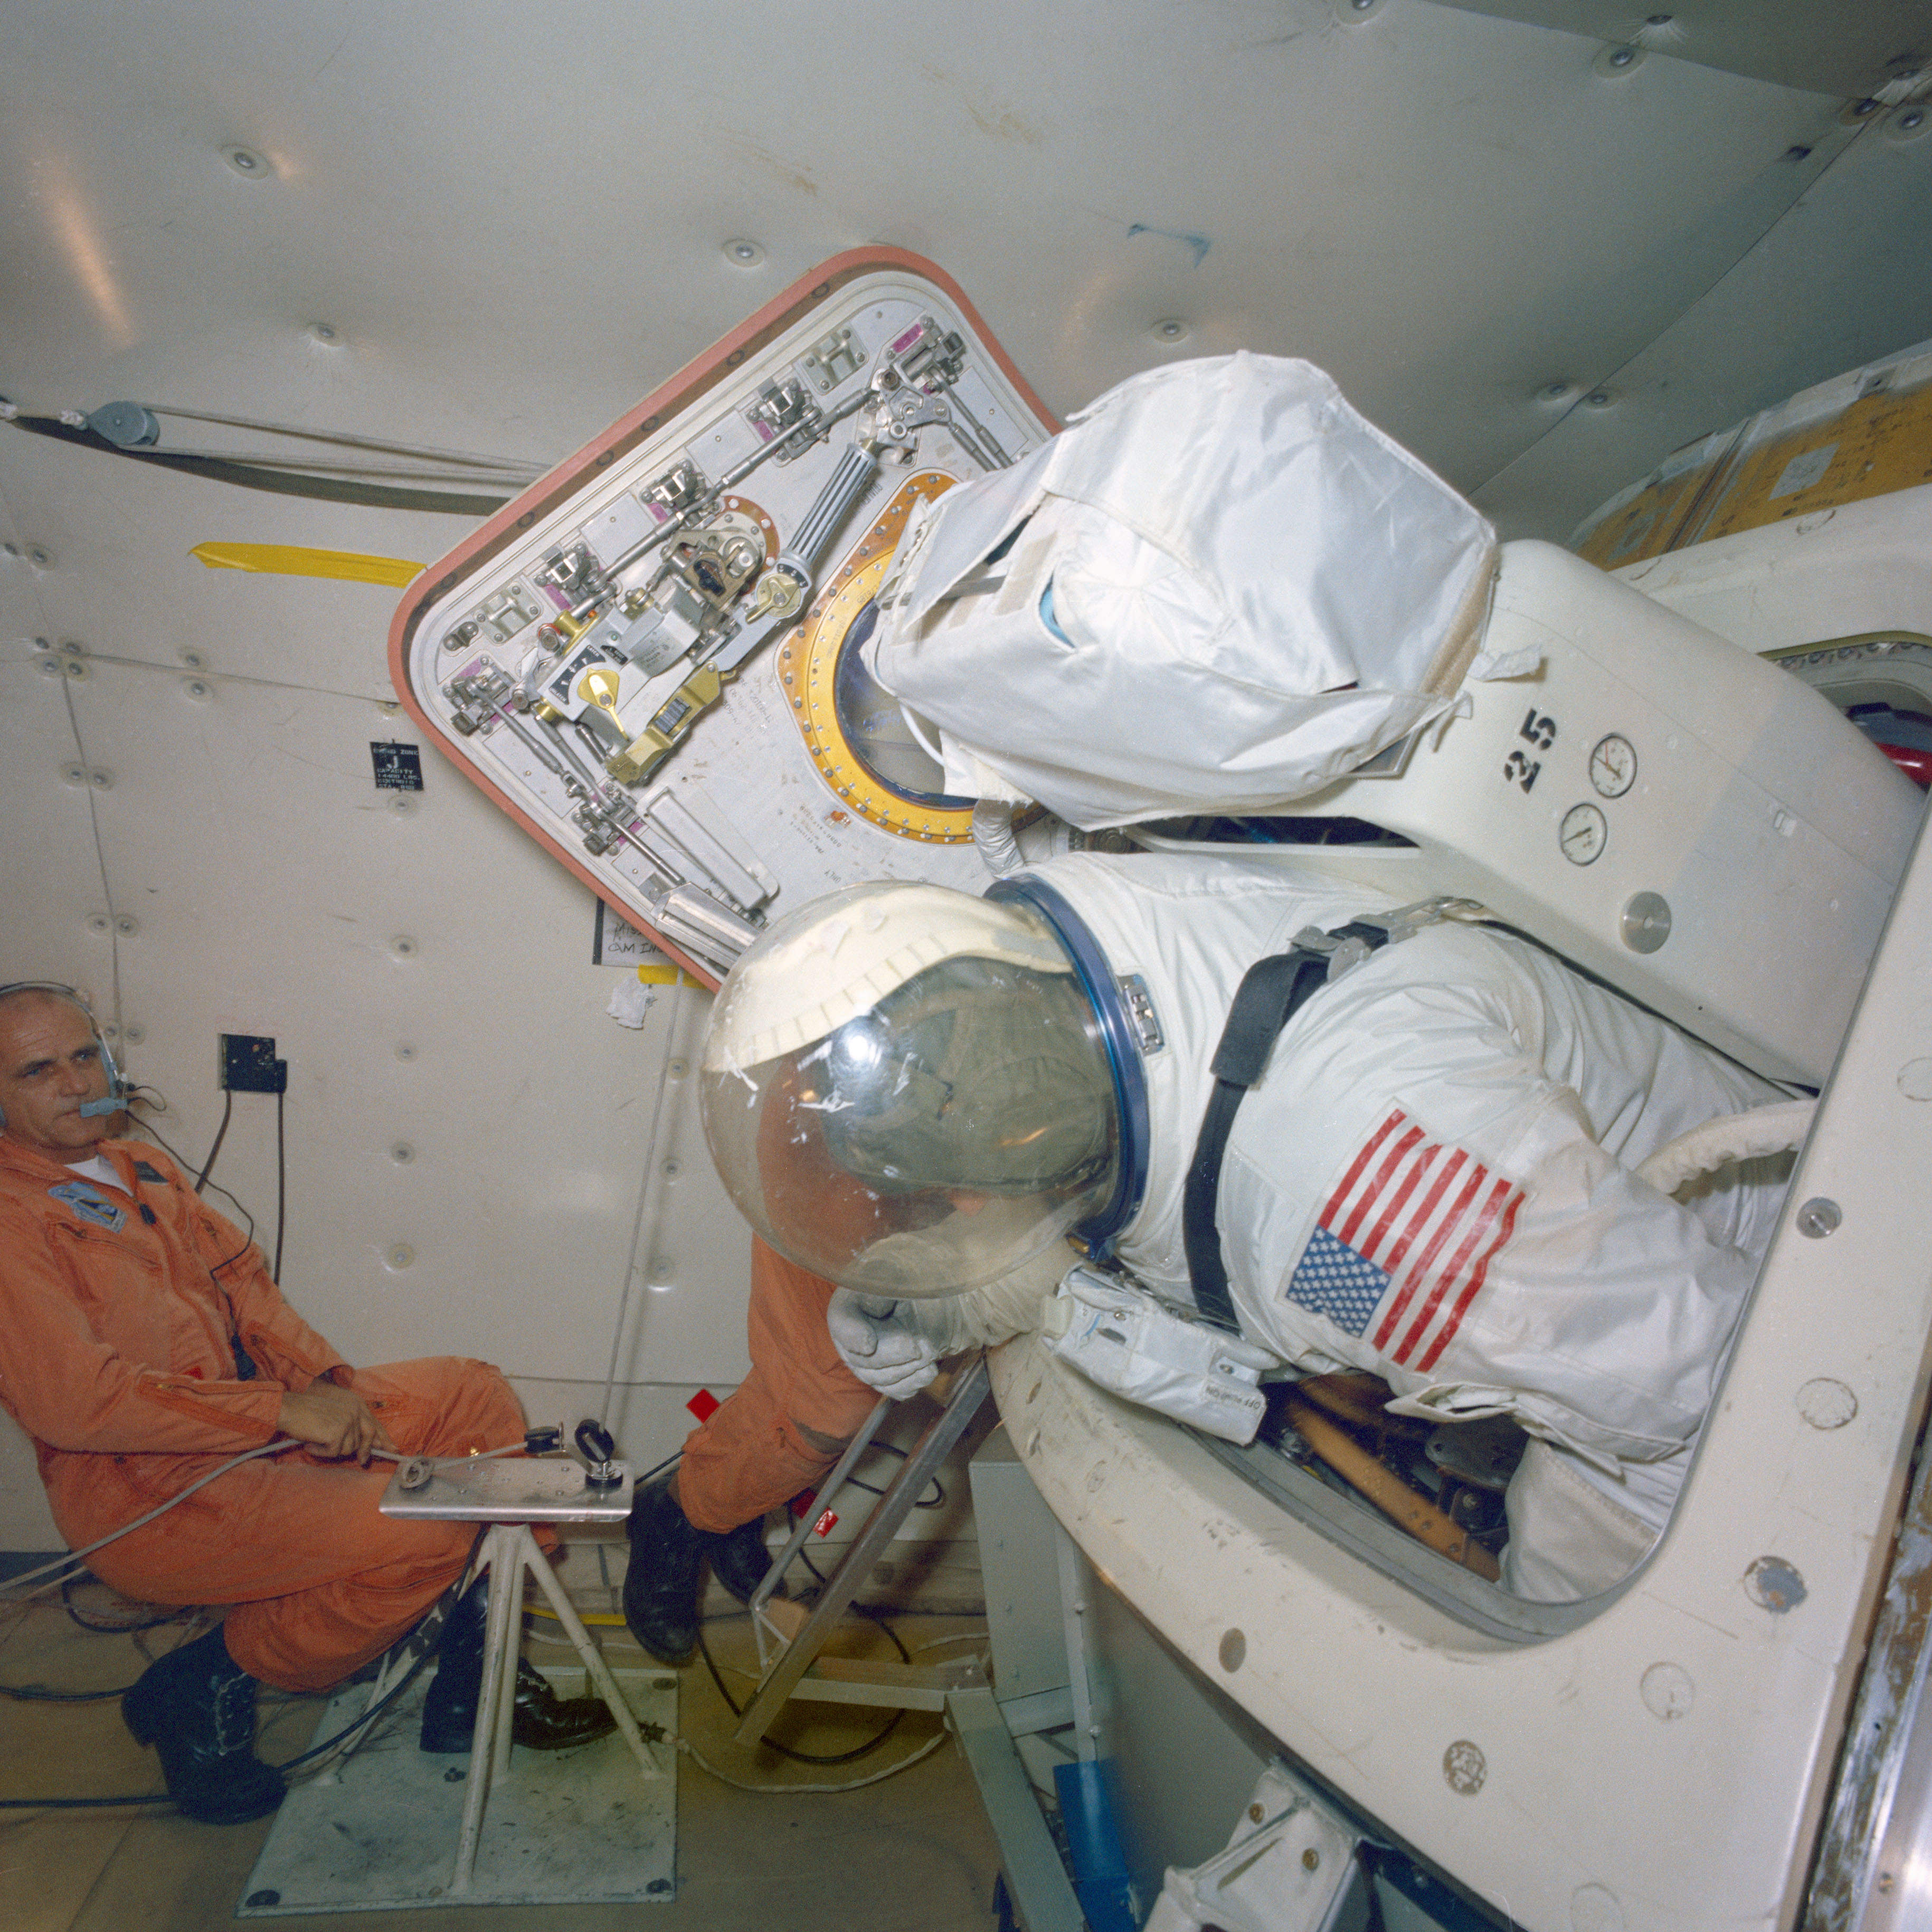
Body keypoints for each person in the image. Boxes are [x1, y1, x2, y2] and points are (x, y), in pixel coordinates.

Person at [693, 854, 1794, 1602]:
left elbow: (1711, 1402)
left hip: (1744, 1306)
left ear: (993, 1182)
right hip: (1590, 1245)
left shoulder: (1354, 1206)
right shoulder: (1071, 928)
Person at [0, 984, 615, 1825]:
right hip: (145, 1490)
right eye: (39, 1071)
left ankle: (478, 1678)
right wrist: (278, 1415)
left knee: (471, 1391)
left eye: (84, 1056)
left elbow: (245, 1292)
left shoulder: (142, 1169)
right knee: (428, 1529)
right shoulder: (10, 1221)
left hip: (251, 1436)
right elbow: (79, 1402)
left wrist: (327, 1389)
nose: (75, 1083)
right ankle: (211, 1678)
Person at [621, 1237, 881, 1664]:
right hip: (839, 1194)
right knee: (818, 1409)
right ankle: (674, 1513)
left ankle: (734, 1511)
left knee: (795, 1390)